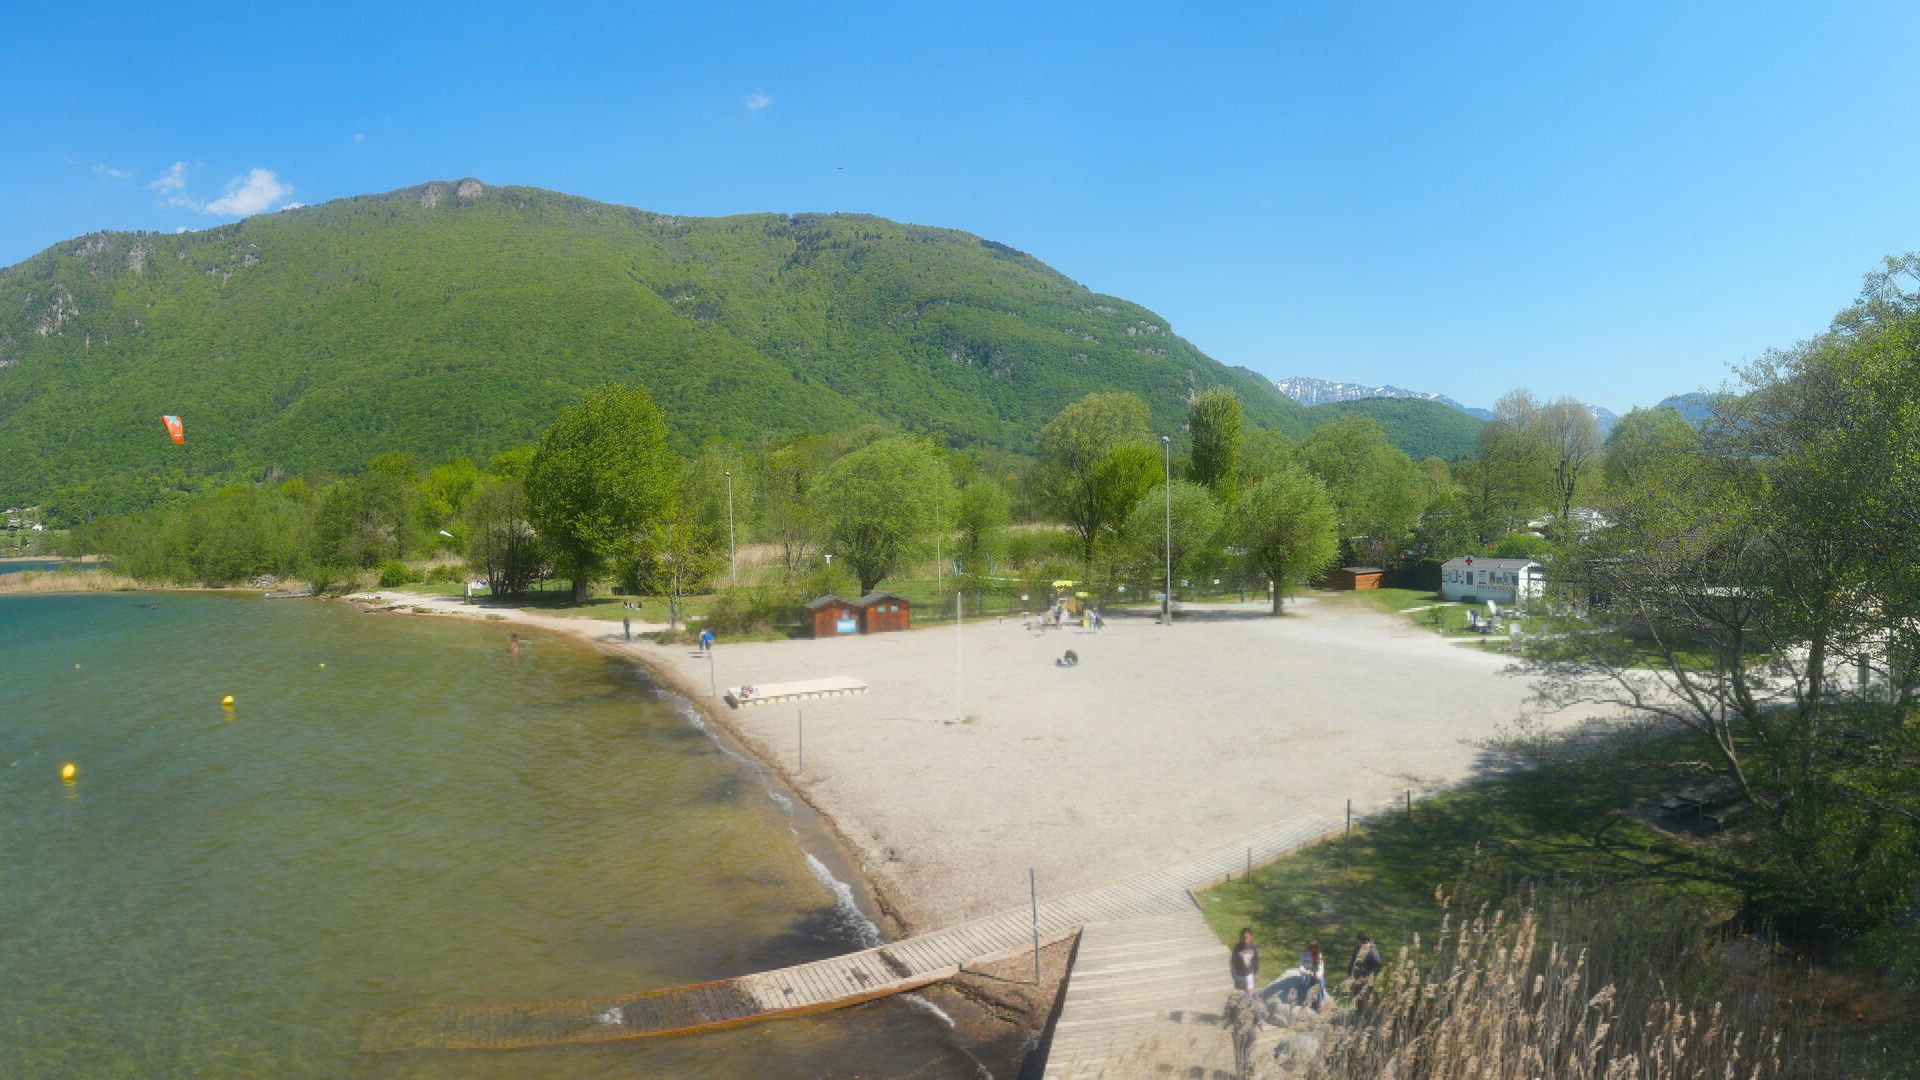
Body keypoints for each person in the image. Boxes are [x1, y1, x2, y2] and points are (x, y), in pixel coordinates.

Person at [1223, 988, 1264, 1079]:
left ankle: (1240, 1075)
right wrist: (1261, 1026)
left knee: (1238, 1053)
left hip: (1237, 1031)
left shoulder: (1232, 1001)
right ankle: (1250, 1074)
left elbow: (1228, 1017)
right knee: (1250, 1051)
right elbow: (1257, 1017)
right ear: (1247, 991)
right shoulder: (1252, 1001)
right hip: (1250, 1030)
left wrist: (1228, 1024)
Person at [1348, 932, 1383, 1016]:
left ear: (1364, 941)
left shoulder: (1372, 950)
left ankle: (1365, 1015)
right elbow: (1352, 960)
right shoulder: (1357, 948)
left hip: (1367, 977)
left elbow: (1377, 963)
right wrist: (1349, 972)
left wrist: (1370, 973)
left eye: (1359, 941)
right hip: (1357, 976)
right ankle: (1357, 1013)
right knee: (1356, 995)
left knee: (1365, 996)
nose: (1359, 943)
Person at [1298, 940, 1325, 1010]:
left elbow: (1321, 969)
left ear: (1315, 949)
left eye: (1311, 949)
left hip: (1315, 975)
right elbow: (1301, 968)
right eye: (1308, 948)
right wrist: (1308, 972)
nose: (1309, 950)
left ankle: (1320, 1001)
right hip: (1308, 974)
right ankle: (1305, 1000)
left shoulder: (1319, 955)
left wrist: (1317, 975)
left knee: (1322, 981)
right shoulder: (1303, 955)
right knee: (1305, 980)